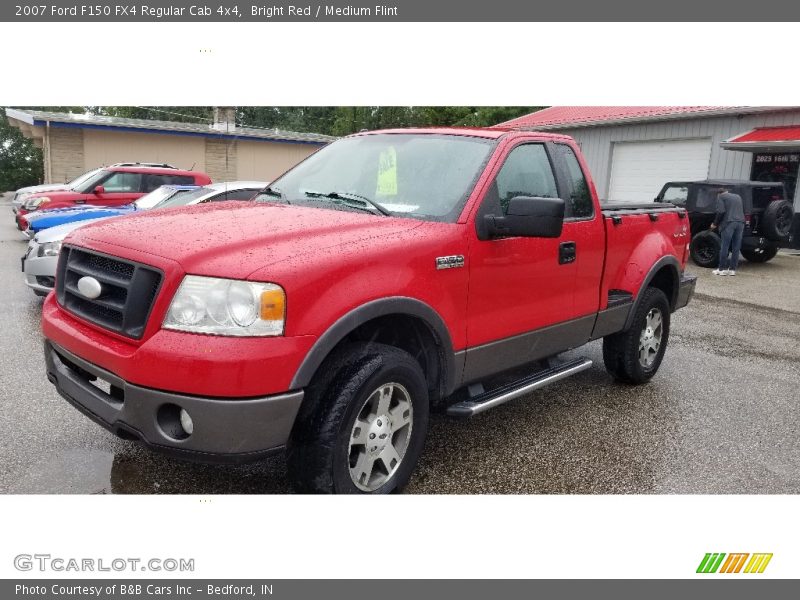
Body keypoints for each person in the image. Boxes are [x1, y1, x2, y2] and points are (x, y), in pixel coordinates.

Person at [710, 187, 745, 276]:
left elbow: (721, 211)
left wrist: (715, 223)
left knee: (724, 246)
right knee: (736, 247)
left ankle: (721, 269)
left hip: (729, 223)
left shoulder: (721, 197)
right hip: (740, 223)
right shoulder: (738, 196)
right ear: (727, 191)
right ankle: (732, 270)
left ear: (719, 193)